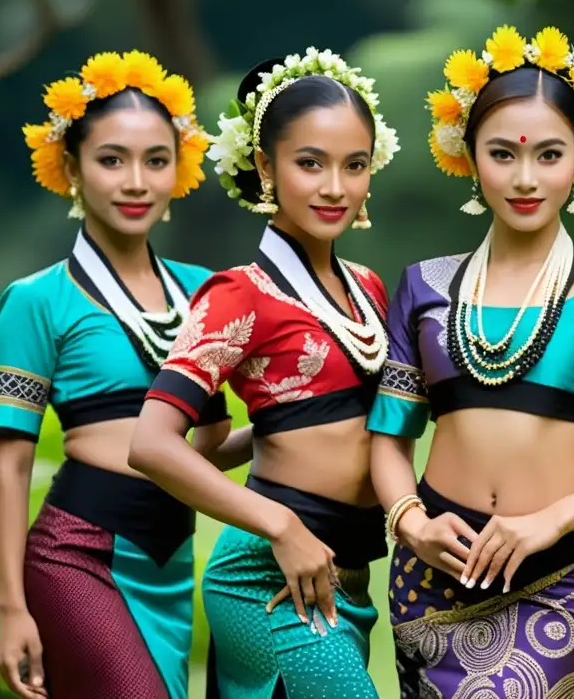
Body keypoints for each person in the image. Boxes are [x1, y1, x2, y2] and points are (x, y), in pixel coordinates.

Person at [367, 25, 574, 697]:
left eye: (549, 154)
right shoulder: (424, 285)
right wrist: (412, 522)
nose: (525, 178)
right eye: (503, 154)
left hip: (564, 572)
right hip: (433, 573)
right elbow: (387, 439)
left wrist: (552, 517)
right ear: (469, 157)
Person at [127, 47, 400, 699]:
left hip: (349, 580)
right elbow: (152, 443)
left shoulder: (367, 287)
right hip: (267, 576)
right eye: (310, 163)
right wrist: (281, 526)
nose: (335, 187)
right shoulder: (237, 295)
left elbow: (235, 443)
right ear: (265, 166)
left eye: (354, 165)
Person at [0, 50, 235, 699]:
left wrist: (297, 425)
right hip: (78, 555)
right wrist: (12, 608)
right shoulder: (37, 301)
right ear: (71, 169)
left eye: (156, 160)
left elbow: (204, 445)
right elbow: (11, 466)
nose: (136, 181)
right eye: (111, 160)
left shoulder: (204, 293)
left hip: (170, 561)